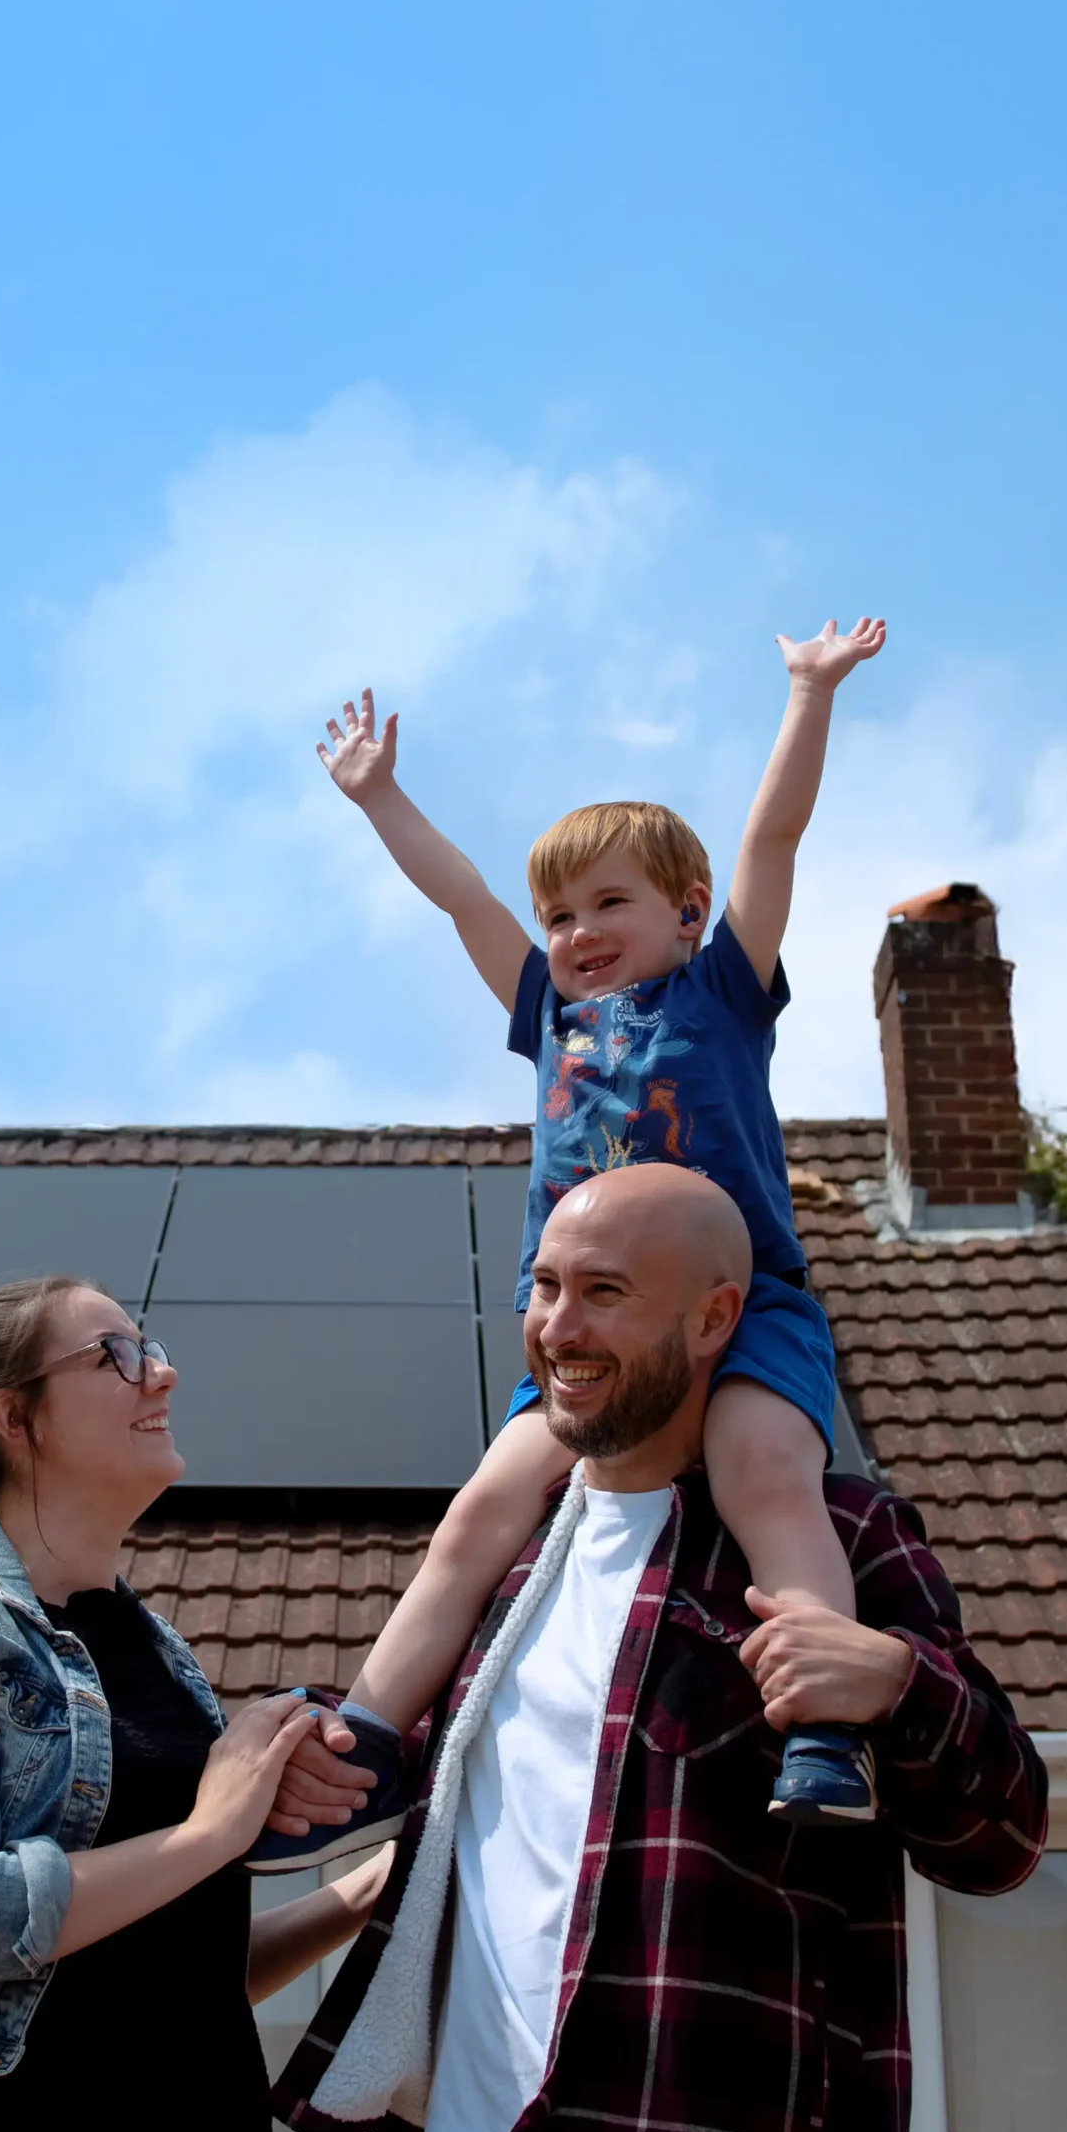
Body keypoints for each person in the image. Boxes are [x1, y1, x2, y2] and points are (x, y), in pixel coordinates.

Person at [272, 1163, 1048, 2132]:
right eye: (545, 1286)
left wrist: (899, 1684)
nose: (556, 1328)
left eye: (605, 1292)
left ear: (716, 1316)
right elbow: (421, 1799)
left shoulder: (839, 1538)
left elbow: (1009, 1839)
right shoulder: (505, 1565)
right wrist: (296, 1756)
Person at [268, 616, 887, 1854]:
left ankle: (825, 1728)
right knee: (481, 1510)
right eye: (562, 911)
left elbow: (775, 834)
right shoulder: (549, 1009)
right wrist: (382, 797)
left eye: (612, 901)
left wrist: (809, 694)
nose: (576, 929)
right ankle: (377, 1739)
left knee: (769, 1472)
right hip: (589, 1323)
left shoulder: (718, 992)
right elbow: (463, 896)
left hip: (741, 1302)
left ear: (689, 913)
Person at [0, 1275, 389, 2132]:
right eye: (117, 1355)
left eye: (147, 1349)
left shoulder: (157, 1652)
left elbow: (172, 1971)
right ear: (14, 1416)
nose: (164, 1374)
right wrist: (208, 1833)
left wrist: (367, 1890)